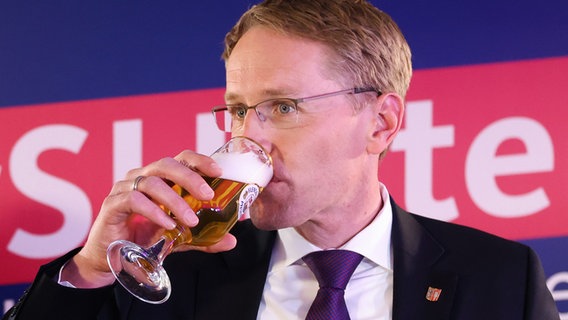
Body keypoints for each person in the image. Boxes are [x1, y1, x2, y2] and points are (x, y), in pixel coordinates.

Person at [3, 0, 560, 319]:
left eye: (285, 106)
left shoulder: (500, 277)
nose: (252, 138)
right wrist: (92, 270)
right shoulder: (172, 268)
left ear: (381, 122)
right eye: (239, 110)